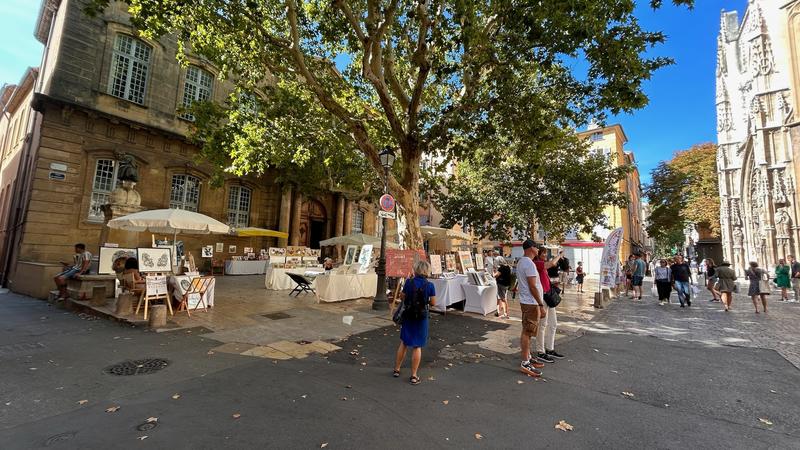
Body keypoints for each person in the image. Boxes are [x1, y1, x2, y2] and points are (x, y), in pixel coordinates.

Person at [393, 260, 436, 385]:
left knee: (404, 342)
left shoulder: (409, 282)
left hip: (408, 316)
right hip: (421, 317)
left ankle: (397, 369)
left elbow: (402, 297)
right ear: (427, 271)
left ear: (416, 270)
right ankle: (413, 375)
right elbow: (433, 303)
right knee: (417, 346)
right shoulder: (430, 285)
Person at [516, 239, 546, 377]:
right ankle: (525, 362)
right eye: (536, 247)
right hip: (531, 302)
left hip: (528, 301)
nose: (538, 249)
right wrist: (540, 304)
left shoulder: (523, 262)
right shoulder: (528, 263)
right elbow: (532, 286)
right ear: (530, 248)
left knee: (527, 329)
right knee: (528, 332)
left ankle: (527, 357)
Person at [535, 247, 565, 363]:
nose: (545, 256)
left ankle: (550, 348)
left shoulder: (542, 264)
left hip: (549, 297)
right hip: (543, 298)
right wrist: (559, 255)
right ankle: (540, 351)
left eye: (545, 254)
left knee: (553, 324)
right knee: (543, 325)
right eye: (543, 254)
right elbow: (552, 263)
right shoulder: (537, 264)